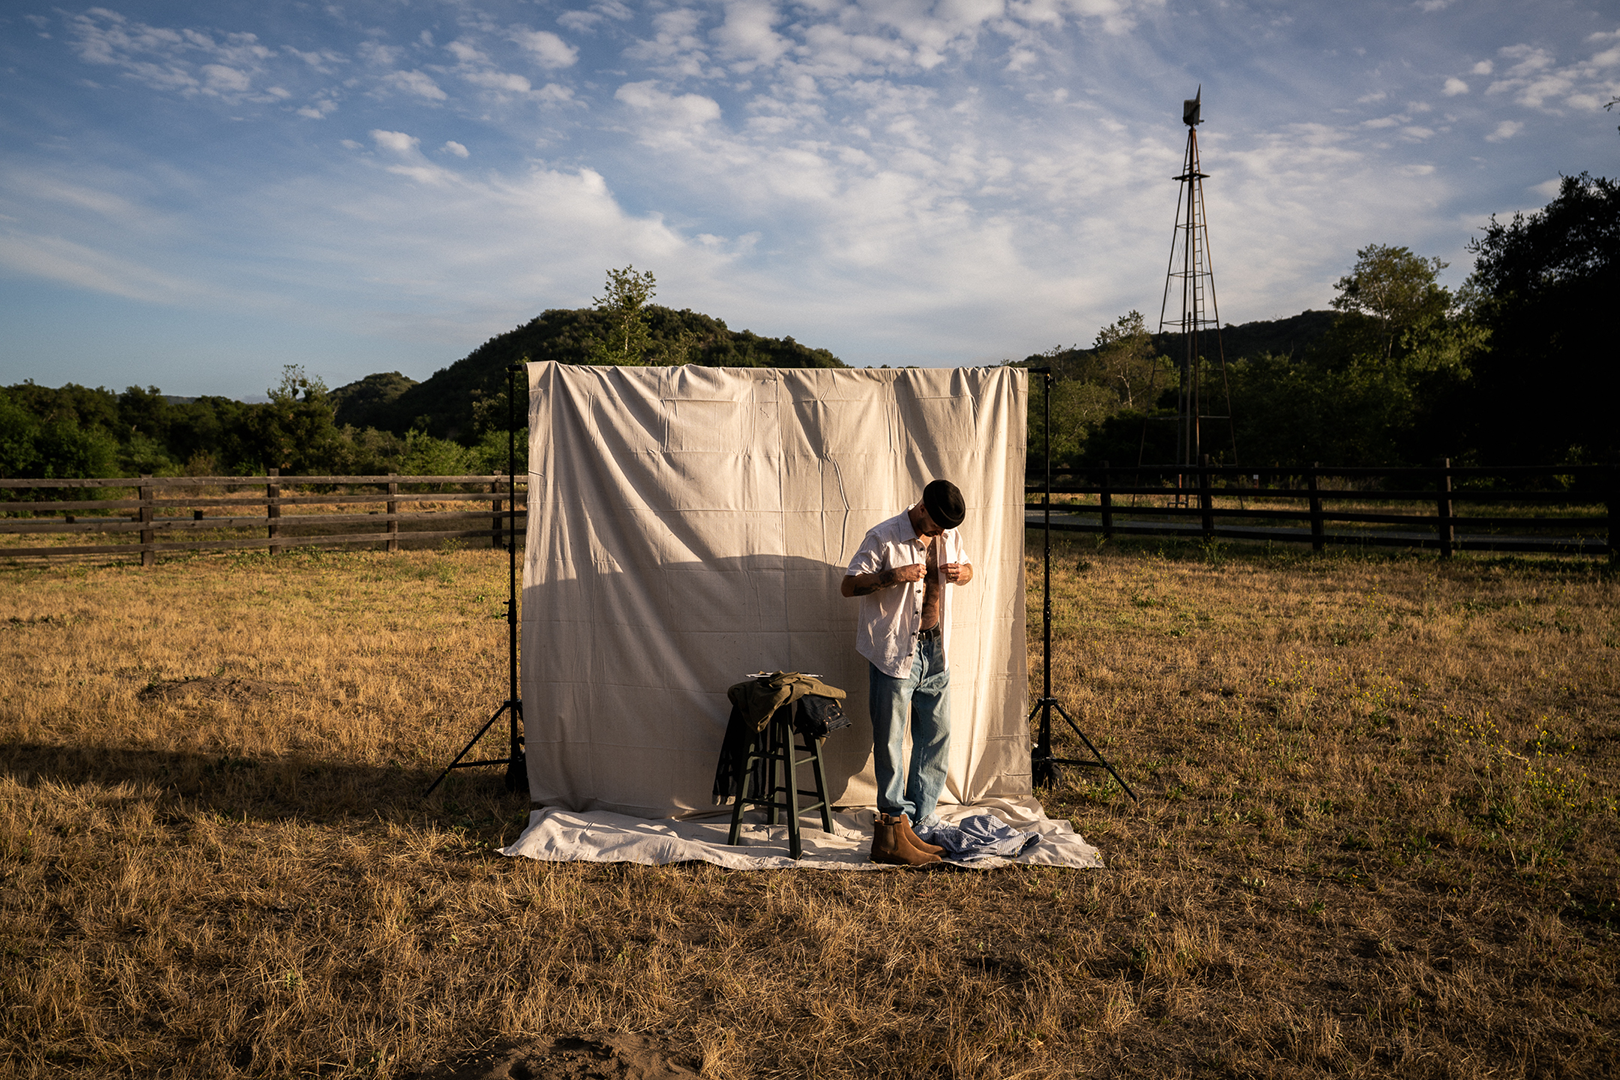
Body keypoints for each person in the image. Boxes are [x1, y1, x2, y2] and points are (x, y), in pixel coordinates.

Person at [841, 479, 974, 865]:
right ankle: (893, 824)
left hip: (935, 649)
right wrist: (892, 576)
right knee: (890, 739)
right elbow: (848, 586)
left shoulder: (948, 535)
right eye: (935, 525)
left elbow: (968, 571)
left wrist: (961, 573)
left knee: (937, 733)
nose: (941, 533)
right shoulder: (884, 537)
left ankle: (919, 819)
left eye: (946, 529)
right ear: (922, 509)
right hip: (896, 651)